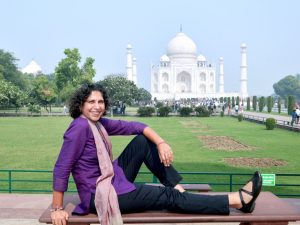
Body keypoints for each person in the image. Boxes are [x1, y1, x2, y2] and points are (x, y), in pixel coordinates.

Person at [51, 83, 262, 225]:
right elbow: (62, 168)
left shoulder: (98, 124)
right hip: (100, 195)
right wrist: (57, 209)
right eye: (91, 102)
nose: (97, 107)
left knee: (143, 141)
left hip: (111, 179)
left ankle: (177, 188)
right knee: (165, 197)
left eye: (100, 102)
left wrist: (161, 142)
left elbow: (137, 126)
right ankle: (237, 200)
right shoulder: (79, 127)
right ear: (81, 105)